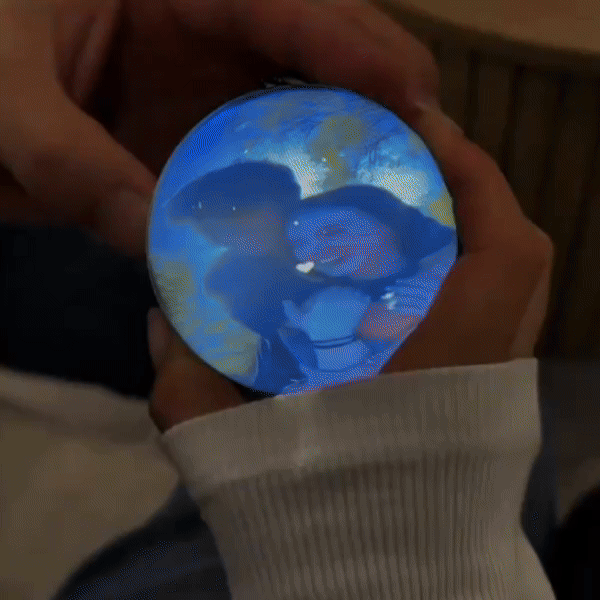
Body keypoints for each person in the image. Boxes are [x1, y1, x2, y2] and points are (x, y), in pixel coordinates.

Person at [0, 1, 560, 599]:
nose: (324, 253)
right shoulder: (270, 295)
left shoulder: (390, 282)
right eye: (310, 246)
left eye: (335, 232)